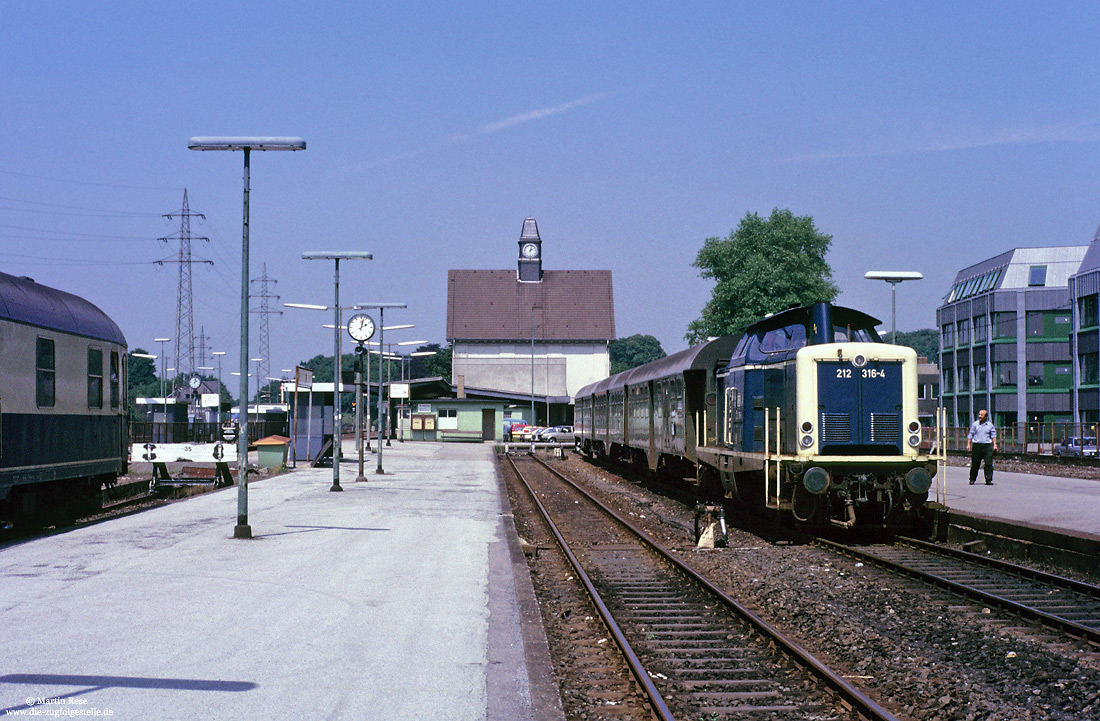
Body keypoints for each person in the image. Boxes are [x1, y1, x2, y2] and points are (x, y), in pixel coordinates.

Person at [966, 409, 998, 485]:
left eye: (981, 415)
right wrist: (968, 444)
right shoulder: (975, 424)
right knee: (975, 463)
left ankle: (988, 479)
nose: (979, 416)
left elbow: (993, 436)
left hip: (987, 446)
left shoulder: (990, 425)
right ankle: (972, 479)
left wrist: (995, 445)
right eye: (979, 414)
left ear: (985, 416)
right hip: (977, 446)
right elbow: (970, 434)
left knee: (988, 463)